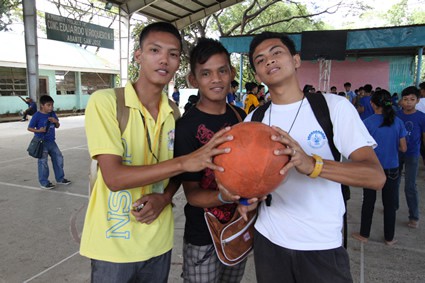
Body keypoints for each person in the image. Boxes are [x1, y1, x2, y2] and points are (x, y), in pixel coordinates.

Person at [222, 31, 385, 283]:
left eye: (277, 52)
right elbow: (248, 179)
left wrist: (313, 164)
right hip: (269, 243)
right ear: (257, 74)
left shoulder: (333, 108)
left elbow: (375, 176)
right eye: (260, 59)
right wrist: (245, 199)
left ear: (296, 60)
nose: (269, 61)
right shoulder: (253, 120)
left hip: (321, 246)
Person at [80, 22, 232, 283]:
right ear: (138, 55)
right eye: (154, 50)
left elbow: (173, 175)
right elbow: (114, 178)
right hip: (113, 243)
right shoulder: (106, 102)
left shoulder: (173, 112)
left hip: (158, 242)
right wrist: (187, 161)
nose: (164, 60)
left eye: (173, 54)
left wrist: (165, 198)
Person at [174, 37, 247, 283]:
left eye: (222, 71)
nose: (216, 79)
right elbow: (193, 194)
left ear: (231, 73)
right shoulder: (185, 127)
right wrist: (223, 197)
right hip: (202, 235)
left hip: (239, 227)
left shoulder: (243, 118)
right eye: (206, 73)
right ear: (194, 80)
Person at [352, 89, 407, 246]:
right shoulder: (398, 122)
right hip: (392, 168)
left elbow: (360, 148)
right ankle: (389, 238)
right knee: (390, 204)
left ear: (372, 104)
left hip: (371, 168)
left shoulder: (367, 123)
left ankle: (364, 234)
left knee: (368, 201)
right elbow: (403, 148)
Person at [27, 95, 71, 189]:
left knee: (59, 158)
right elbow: (29, 128)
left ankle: (60, 178)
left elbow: (57, 125)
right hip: (42, 142)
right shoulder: (37, 115)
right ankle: (44, 182)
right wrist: (39, 131)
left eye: (52, 105)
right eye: (48, 105)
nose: (51, 107)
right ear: (42, 105)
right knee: (43, 162)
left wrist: (55, 121)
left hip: (52, 142)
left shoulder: (52, 114)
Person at [396, 85, 425, 229]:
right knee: (393, 182)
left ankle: (414, 216)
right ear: (401, 101)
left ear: (418, 101)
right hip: (397, 153)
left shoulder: (421, 117)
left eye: (412, 99)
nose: (408, 102)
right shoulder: (397, 115)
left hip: (412, 155)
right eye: (405, 99)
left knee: (410, 186)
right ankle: (392, 207)